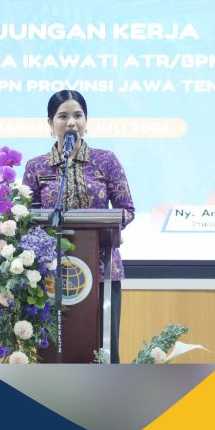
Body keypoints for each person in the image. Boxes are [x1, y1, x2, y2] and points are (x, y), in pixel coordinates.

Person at [22, 90, 135, 363]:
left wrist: (101, 225)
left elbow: (127, 210)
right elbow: (25, 218)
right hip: (49, 275)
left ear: (86, 121)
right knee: (53, 348)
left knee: (103, 347)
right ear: (50, 124)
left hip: (102, 269)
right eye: (63, 116)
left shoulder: (106, 161)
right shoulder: (36, 167)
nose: (71, 122)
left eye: (77, 115)